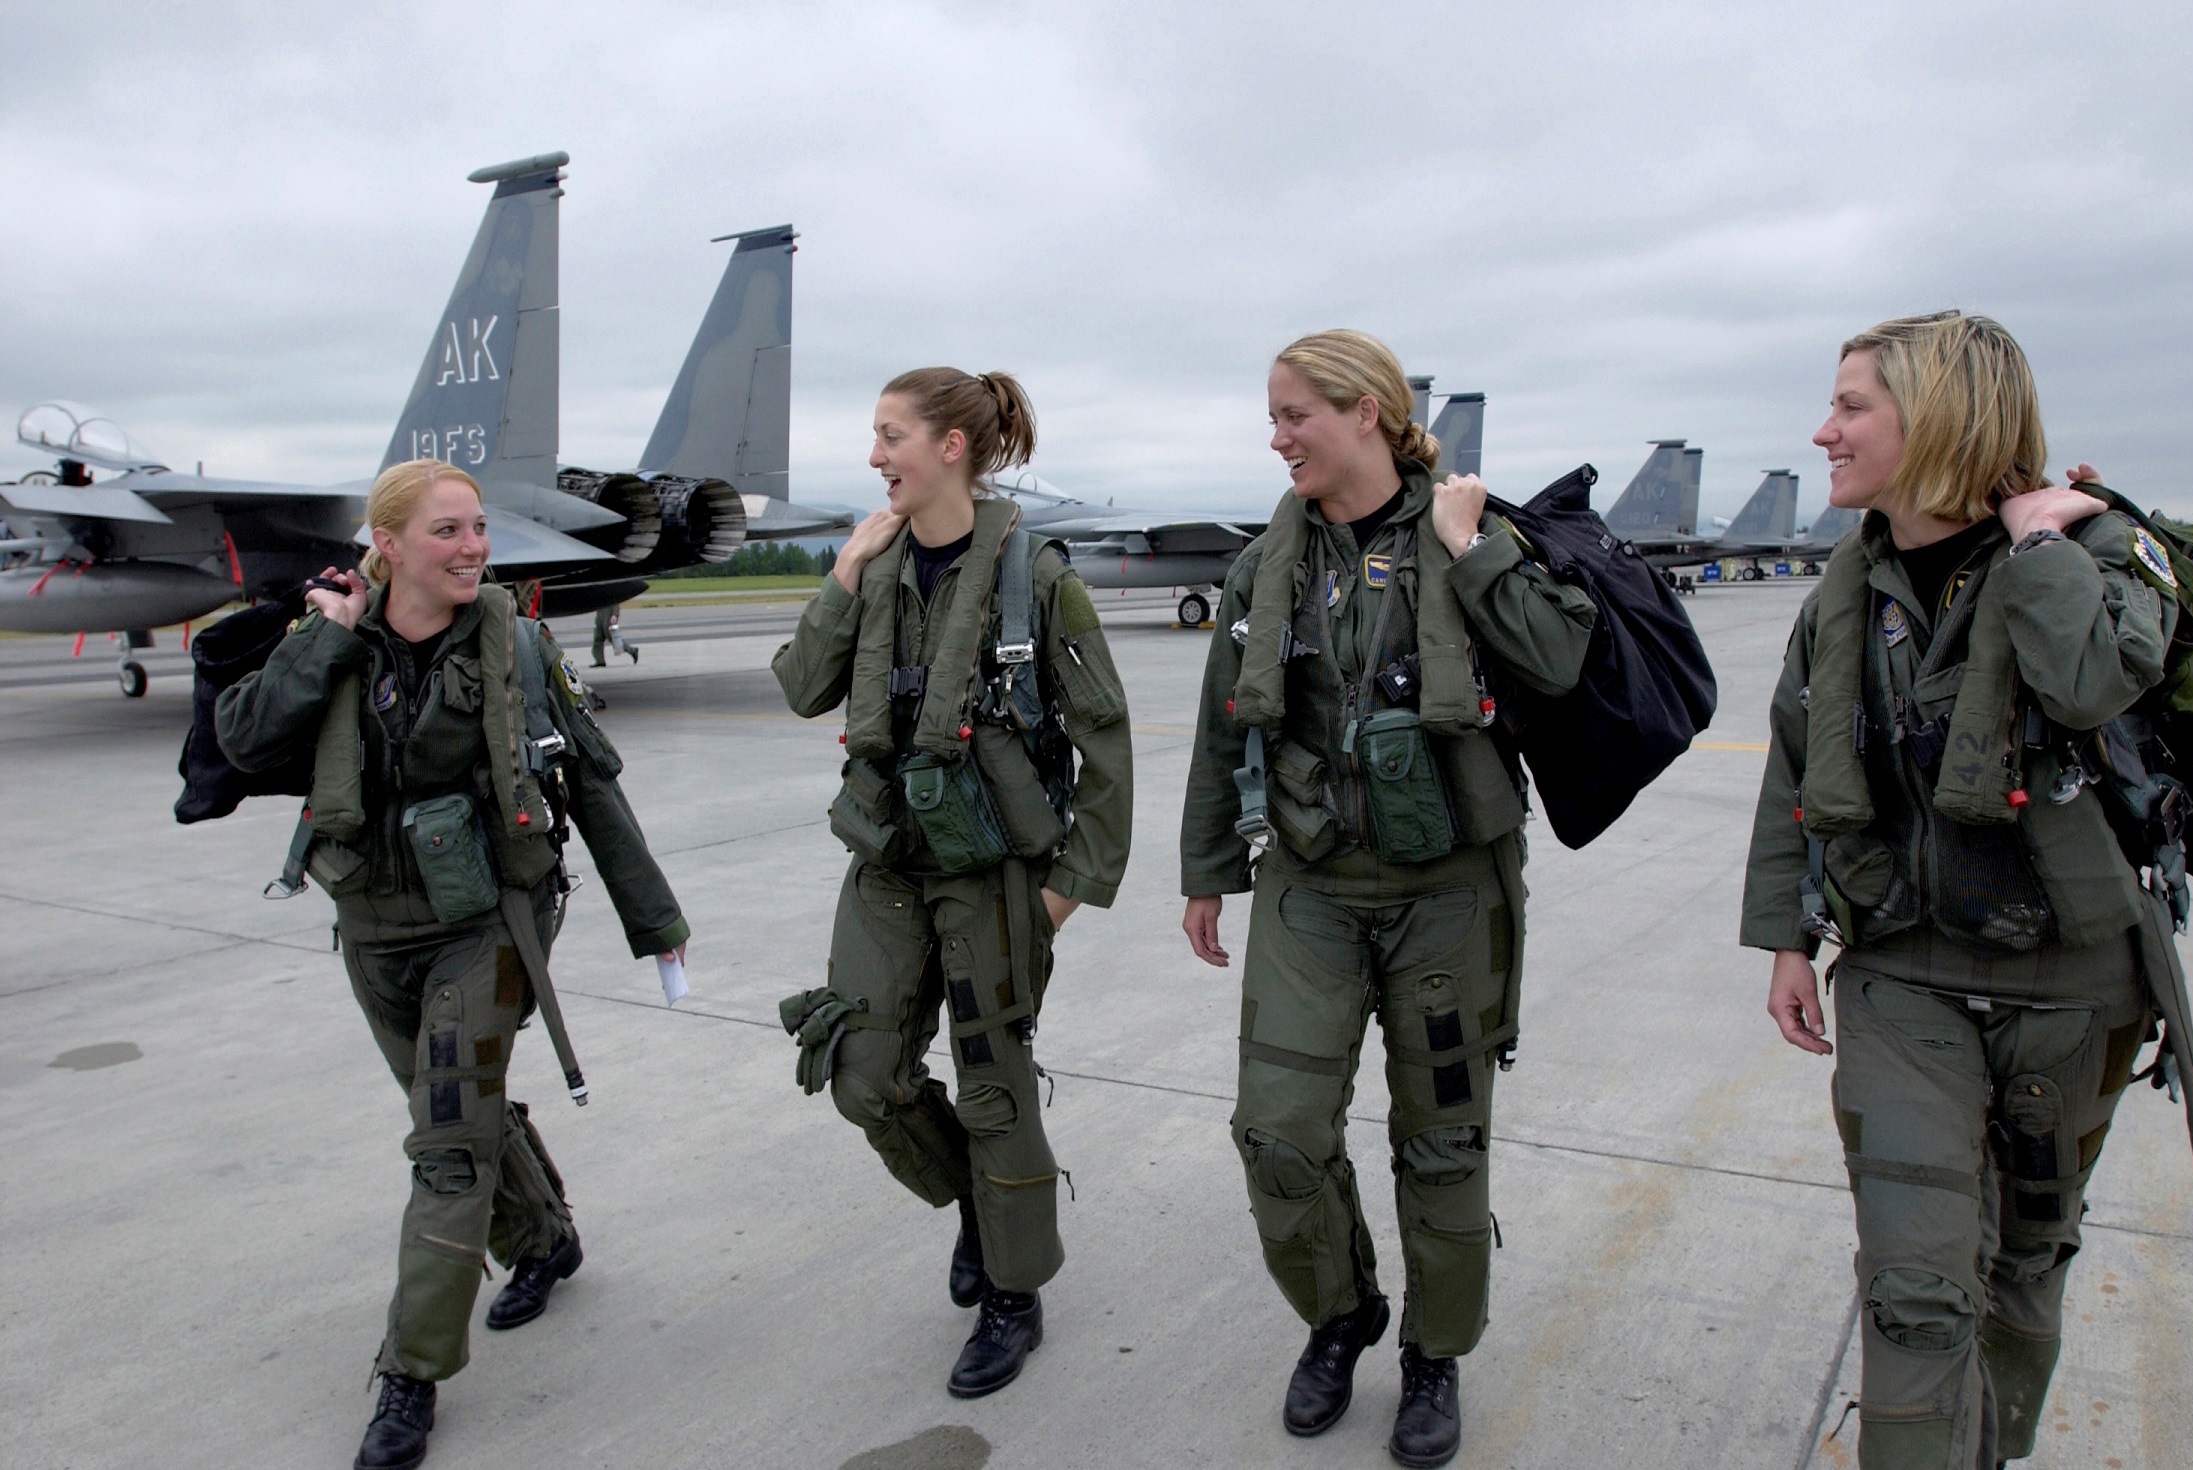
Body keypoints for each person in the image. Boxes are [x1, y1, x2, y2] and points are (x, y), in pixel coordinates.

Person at [1742, 312, 2181, 1469]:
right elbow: (1797, 762)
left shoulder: (2100, 556)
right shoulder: (1846, 589)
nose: (1823, 430)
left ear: (1933, 416)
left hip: (2072, 985)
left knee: (2024, 1270)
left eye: (1852, 407)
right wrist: (1788, 935)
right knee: (1917, 1291)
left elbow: (2088, 681)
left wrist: (2040, 552)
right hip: (1903, 975)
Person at [217, 459, 689, 1470]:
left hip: (493, 920)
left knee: (445, 1144)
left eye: (478, 528)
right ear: (387, 546)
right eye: (448, 532)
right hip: (375, 926)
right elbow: (247, 741)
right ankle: (545, 1237)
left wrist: (655, 920)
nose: (474, 547)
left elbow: (591, 781)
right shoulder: (337, 637)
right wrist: (319, 642)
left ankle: (409, 1374)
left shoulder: (514, 644)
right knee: (454, 1111)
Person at [1179, 330, 1595, 1468]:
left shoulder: (1474, 530)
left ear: (1365, 410)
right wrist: (1207, 866)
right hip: (1308, 883)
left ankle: (1434, 1354)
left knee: (1446, 1144)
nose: (1276, 437)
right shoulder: (1270, 561)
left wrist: (1473, 555)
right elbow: (1227, 718)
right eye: (1272, 417)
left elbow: (1559, 663)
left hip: (1450, 892)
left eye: (1293, 413)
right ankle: (1342, 1311)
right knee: (1277, 1131)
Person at [771, 369, 1132, 1398]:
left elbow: (1105, 742)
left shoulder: (1037, 577)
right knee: (863, 1074)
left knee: (992, 1081)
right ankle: (982, 1205)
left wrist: (1073, 885)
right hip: (889, 865)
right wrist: (844, 567)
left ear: (952, 449)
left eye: (890, 436)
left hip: (995, 875)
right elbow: (803, 689)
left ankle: (1013, 1296)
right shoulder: (877, 568)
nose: (876, 456)